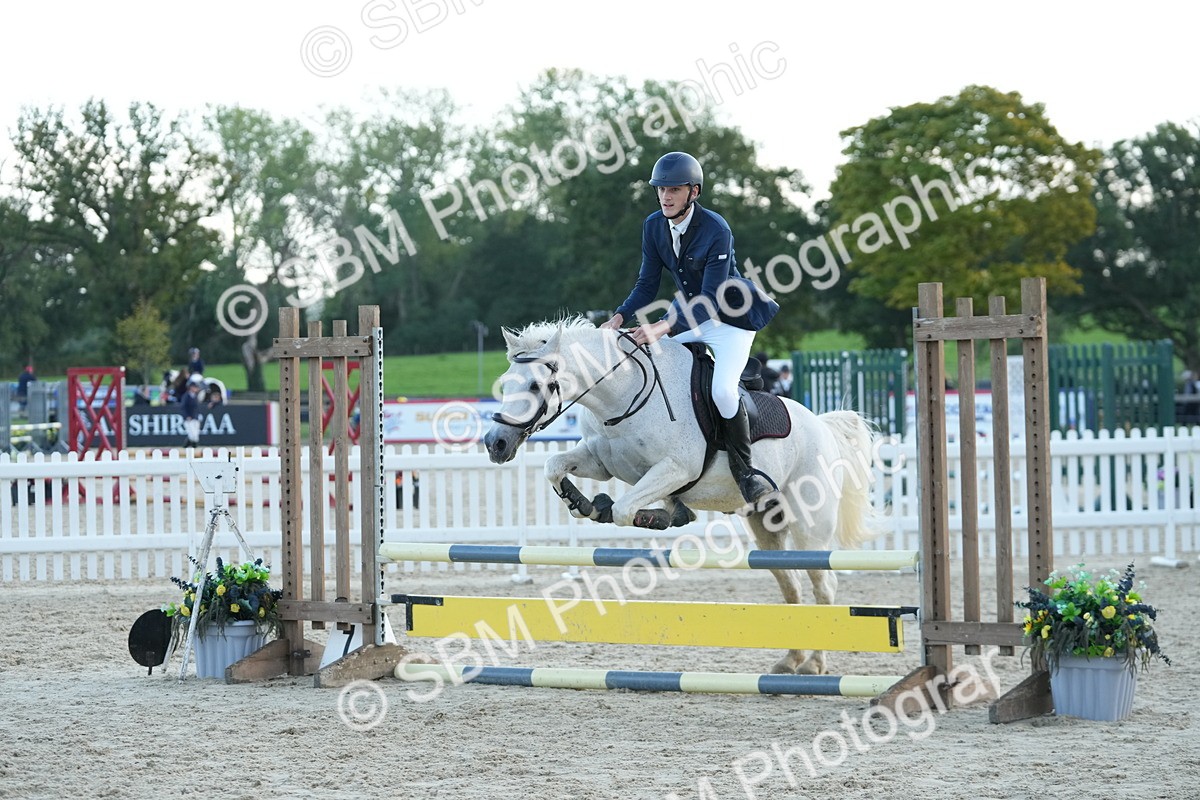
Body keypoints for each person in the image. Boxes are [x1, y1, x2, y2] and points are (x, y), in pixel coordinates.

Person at [600, 151, 780, 507]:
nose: (665, 196)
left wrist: (664, 326)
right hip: (686, 314)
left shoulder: (716, 229)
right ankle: (670, 468)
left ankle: (746, 474)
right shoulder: (653, 225)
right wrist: (620, 316)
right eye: (661, 189)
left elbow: (711, 299)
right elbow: (647, 283)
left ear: (693, 192)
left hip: (729, 320)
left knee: (724, 393)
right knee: (653, 365)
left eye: (674, 190)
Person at [181, 374, 203, 449]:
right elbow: (183, 407)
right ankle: (191, 447)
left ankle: (189, 446)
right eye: (195, 387)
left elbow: (197, 408)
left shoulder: (196, 396)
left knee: (195, 435)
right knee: (192, 435)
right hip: (189, 418)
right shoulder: (186, 396)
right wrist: (187, 416)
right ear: (191, 388)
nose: (196, 389)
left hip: (195, 417)